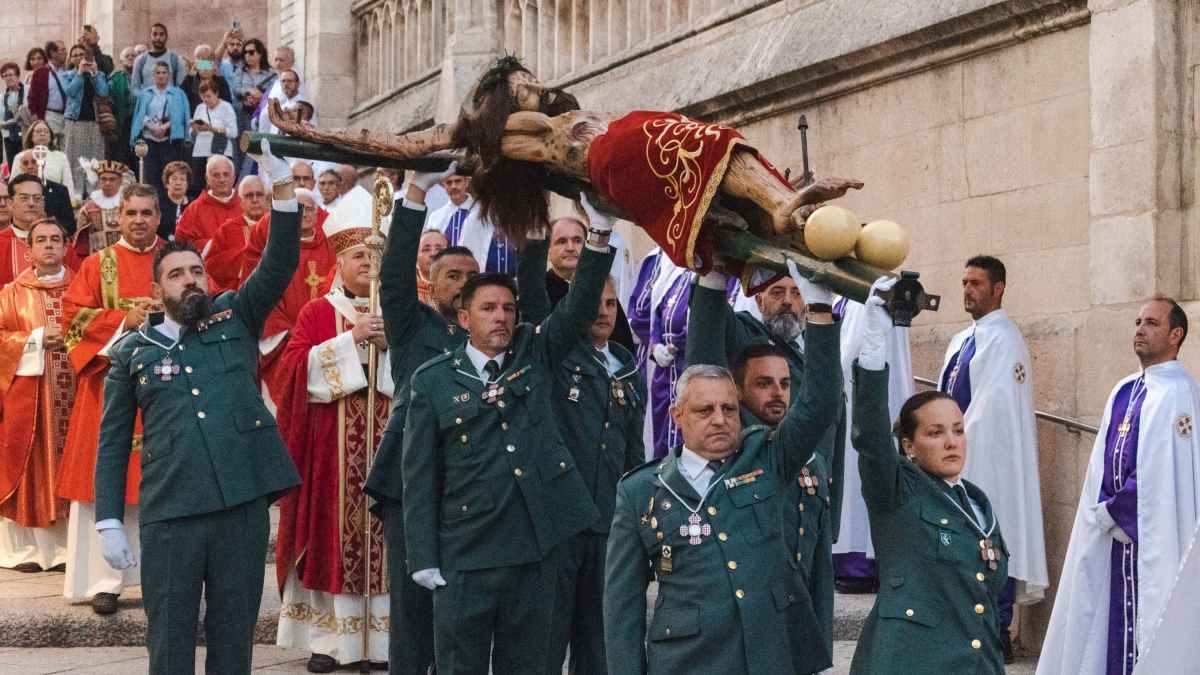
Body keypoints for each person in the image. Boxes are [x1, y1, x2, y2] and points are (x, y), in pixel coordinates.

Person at [92, 142, 302, 674]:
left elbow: (279, 262)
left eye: (196, 272)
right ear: (157, 289)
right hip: (171, 515)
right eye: (178, 274)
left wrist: (280, 186)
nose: (191, 280)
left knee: (235, 642)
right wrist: (110, 521)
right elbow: (114, 441)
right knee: (169, 642)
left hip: (240, 508)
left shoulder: (236, 316)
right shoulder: (133, 353)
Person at [399, 189, 615, 675]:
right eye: (489, 309)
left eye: (509, 309)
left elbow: (579, 307)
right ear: (463, 318)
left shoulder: (534, 353)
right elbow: (420, 475)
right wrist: (423, 556)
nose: (501, 317)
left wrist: (599, 236)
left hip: (536, 549)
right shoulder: (432, 380)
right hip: (466, 553)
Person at [603, 268, 842, 675]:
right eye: (704, 410)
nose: (719, 419)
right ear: (677, 416)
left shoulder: (767, 460)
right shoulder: (640, 490)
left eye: (729, 409)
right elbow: (622, 609)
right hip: (687, 661)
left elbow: (820, 401)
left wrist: (819, 306)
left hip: (766, 656)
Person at [848, 280, 1009, 675]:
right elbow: (870, 436)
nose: (952, 442)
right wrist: (872, 348)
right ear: (909, 446)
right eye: (935, 433)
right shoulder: (897, 489)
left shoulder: (976, 503)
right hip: (911, 661)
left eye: (957, 429)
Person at [685, 264, 841, 666]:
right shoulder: (743, 335)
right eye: (776, 292)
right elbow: (705, 339)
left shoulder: (817, 354)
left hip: (806, 503)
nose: (788, 301)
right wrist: (716, 267)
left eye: (795, 292)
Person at [1037, 297, 1200, 675]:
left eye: (1152, 323)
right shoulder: (1124, 388)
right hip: (1111, 532)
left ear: (1176, 335)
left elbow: (1162, 469)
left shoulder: (1179, 393)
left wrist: (1118, 510)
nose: (1140, 329)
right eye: (1138, 321)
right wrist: (1102, 509)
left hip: (1150, 533)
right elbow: (1101, 463)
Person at [516, 233, 645, 675]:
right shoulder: (555, 352)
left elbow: (634, 451)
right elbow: (533, 295)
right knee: (545, 642)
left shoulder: (628, 366)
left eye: (611, 304)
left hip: (609, 523)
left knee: (600, 643)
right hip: (560, 521)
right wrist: (533, 233)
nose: (602, 312)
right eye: (593, 303)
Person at [275, 188, 393, 670]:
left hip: (388, 447)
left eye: (373, 255)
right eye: (357, 255)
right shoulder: (317, 312)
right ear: (339, 262)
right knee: (329, 539)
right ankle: (329, 642)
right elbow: (290, 371)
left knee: (387, 540)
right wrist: (350, 342)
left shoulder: (399, 310)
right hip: (330, 453)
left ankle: (383, 644)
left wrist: (392, 347)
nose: (367, 263)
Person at [363, 164, 474, 675]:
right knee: (411, 612)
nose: (464, 284)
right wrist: (417, 192)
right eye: (453, 276)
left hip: (473, 483)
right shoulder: (412, 325)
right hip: (411, 483)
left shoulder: (495, 335)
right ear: (430, 286)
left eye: (472, 276)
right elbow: (392, 274)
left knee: (464, 612)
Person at [58, 183, 165, 615]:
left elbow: (202, 303)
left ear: (159, 217)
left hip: (165, 390)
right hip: (109, 389)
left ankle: (160, 579)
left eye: (146, 212)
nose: (138, 220)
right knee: (107, 478)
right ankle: (105, 580)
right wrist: (125, 319)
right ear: (117, 217)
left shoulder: (175, 261)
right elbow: (73, 319)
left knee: (159, 483)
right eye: (130, 213)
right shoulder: (97, 264)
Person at [939, 255, 1047, 659]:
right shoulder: (962, 338)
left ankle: (997, 630)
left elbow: (994, 408)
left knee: (992, 538)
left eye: (976, 284)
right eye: (964, 282)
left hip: (989, 459)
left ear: (998, 288)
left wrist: (949, 440)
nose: (967, 290)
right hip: (957, 454)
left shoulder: (1005, 339)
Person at [0, 218, 76, 573]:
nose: (49, 245)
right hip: (30, 402)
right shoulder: (11, 293)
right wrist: (32, 339)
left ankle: (70, 549)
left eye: (55, 239)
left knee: (74, 466)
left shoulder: (82, 288)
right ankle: (28, 551)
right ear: (27, 250)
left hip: (79, 398)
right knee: (31, 467)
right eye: (41, 240)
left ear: (66, 246)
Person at [832, 293, 914, 594]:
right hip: (845, 400)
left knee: (863, 475)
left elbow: (860, 352)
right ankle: (845, 558)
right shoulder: (844, 295)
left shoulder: (879, 292)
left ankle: (864, 562)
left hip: (867, 398)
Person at [239, 186, 333, 411]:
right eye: (299, 209)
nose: (305, 214)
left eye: (310, 209)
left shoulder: (330, 243)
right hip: (284, 343)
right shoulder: (272, 245)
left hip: (326, 342)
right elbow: (259, 294)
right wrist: (291, 335)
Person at [544, 216, 632, 351]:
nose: (570, 248)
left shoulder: (602, 286)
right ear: (548, 251)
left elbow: (623, 341)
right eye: (561, 241)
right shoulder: (541, 291)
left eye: (577, 240)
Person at [425, 171, 518, 277]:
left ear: (467, 182)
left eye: (458, 181)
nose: (454, 186)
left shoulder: (479, 211)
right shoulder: (438, 216)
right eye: (449, 183)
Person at [0, 173, 79, 286]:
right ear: (10, 204)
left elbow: (79, 286)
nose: (31, 203)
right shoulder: (2, 243)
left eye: (37, 198)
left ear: (43, 203)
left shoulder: (60, 243)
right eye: (24, 198)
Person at [130, 62, 190, 207]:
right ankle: (150, 205)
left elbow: (181, 114)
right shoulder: (146, 93)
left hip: (168, 139)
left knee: (169, 174)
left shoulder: (178, 93)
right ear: (153, 75)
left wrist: (165, 126)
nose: (161, 76)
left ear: (169, 75)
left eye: (164, 72)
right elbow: (140, 114)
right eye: (158, 73)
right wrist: (151, 127)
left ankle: (168, 206)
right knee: (150, 175)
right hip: (149, 138)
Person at [648, 264, 691, 458]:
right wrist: (655, 344)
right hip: (664, 370)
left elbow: (701, 317)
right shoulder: (675, 272)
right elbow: (656, 311)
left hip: (686, 362)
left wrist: (675, 345)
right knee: (662, 429)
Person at [61, 44, 109, 199]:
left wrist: (94, 73)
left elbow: (103, 92)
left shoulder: (99, 74)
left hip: (94, 121)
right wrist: (80, 73)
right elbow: (70, 92)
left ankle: (91, 191)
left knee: (94, 157)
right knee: (75, 156)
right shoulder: (67, 75)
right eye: (74, 55)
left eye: (81, 54)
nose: (78, 57)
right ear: (71, 58)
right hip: (75, 121)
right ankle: (76, 191)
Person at [205, 175, 268, 293]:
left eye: (259, 194)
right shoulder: (226, 230)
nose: (255, 200)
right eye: (249, 195)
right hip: (239, 295)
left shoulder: (277, 227)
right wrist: (244, 256)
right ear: (240, 201)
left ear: (267, 198)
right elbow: (211, 264)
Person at [174, 155, 242, 252]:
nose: (222, 180)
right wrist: (214, 245)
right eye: (216, 175)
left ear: (234, 177)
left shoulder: (246, 203)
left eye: (226, 174)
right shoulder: (194, 209)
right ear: (207, 179)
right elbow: (182, 243)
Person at [229, 39, 276, 173]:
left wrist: (261, 97)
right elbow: (236, 89)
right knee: (242, 146)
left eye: (251, 52)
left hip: (262, 114)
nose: (247, 56)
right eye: (245, 53)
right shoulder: (240, 72)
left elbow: (273, 91)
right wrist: (250, 92)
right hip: (243, 114)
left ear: (260, 53)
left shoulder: (271, 73)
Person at [187, 81, 237, 198]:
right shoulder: (200, 108)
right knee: (197, 185)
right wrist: (194, 129)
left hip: (219, 150)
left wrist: (212, 129)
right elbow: (192, 135)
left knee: (220, 183)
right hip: (200, 151)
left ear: (216, 94)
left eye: (209, 96)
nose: (206, 100)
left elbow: (233, 132)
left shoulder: (226, 107)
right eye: (203, 97)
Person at [75, 159, 131, 256]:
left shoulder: (129, 205)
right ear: (99, 181)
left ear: (120, 181)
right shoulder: (88, 209)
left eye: (112, 179)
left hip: (125, 258)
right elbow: (80, 241)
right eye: (103, 179)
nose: (107, 183)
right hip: (97, 260)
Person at [13, 152, 75, 234]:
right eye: (25, 164)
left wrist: (48, 222)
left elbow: (70, 225)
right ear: (22, 168)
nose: (30, 167)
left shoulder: (60, 190)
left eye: (34, 162)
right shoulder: (15, 190)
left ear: (43, 164)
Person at [20, 119, 75, 204]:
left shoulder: (61, 157)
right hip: (28, 202)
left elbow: (68, 183)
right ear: (31, 136)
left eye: (46, 131)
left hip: (55, 201)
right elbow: (14, 182)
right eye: (38, 131)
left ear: (50, 137)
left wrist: (71, 203)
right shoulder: (20, 157)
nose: (42, 134)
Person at [129, 23, 186, 97]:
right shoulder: (140, 60)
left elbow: (180, 87)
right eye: (155, 34)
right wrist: (146, 99)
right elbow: (135, 87)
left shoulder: (176, 60)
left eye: (161, 34)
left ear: (166, 37)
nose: (158, 38)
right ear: (150, 37)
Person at [27, 41, 69, 136]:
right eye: (62, 50)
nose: (66, 53)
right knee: (50, 148)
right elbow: (32, 97)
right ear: (53, 53)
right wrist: (36, 118)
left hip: (67, 118)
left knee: (65, 150)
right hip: (50, 116)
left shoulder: (68, 71)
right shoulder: (40, 72)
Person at [180, 45, 232, 113]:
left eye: (208, 63)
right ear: (197, 64)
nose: (205, 69)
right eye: (202, 64)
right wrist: (190, 76)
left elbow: (227, 104)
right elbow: (181, 100)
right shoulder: (189, 82)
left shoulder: (221, 82)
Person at [107, 47, 136, 164]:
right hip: (122, 124)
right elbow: (109, 103)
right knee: (123, 159)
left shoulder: (145, 79)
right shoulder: (114, 79)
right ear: (121, 61)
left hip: (141, 125)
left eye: (133, 55)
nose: (130, 58)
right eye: (127, 56)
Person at [257, 68, 306, 137]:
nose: (286, 84)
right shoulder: (283, 106)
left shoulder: (303, 106)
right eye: (283, 81)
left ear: (297, 84)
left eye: (289, 81)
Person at [2, 63, 27, 171]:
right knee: (14, 168)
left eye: (11, 75)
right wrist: (5, 125)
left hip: (25, 134)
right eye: (5, 76)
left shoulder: (27, 89)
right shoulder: (2, 97)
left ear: (17, 75)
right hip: (9, 137)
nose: (8, 78)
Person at [415, 228, 447, 307]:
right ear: (416, 257)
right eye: (426, 249)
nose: (433, 254)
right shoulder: (406, 291)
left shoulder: (456, 289)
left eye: (439, 249)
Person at [160, 161, 191, 239]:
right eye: (174, 179)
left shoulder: (193, 206)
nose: (178, 183)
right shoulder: (157, 204)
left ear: (187, 184)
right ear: (167, 183)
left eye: (182, 179)